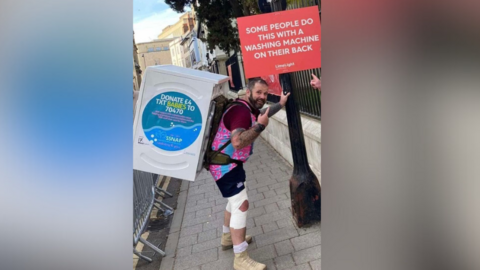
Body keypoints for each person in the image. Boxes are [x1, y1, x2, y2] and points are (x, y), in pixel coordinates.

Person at [209, 77, 290, 270]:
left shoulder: (246, 107)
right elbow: (237, 142)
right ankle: (241, 258)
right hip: (225, 166)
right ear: (248, 92)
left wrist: (280, 104)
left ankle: (228, 237)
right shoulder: (240, 112)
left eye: (265, 93)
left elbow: (262, 113)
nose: (262, 96)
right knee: (241, 205)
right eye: (258, 93)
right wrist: (260, 127)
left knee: (234, 201)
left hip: (229, 164)